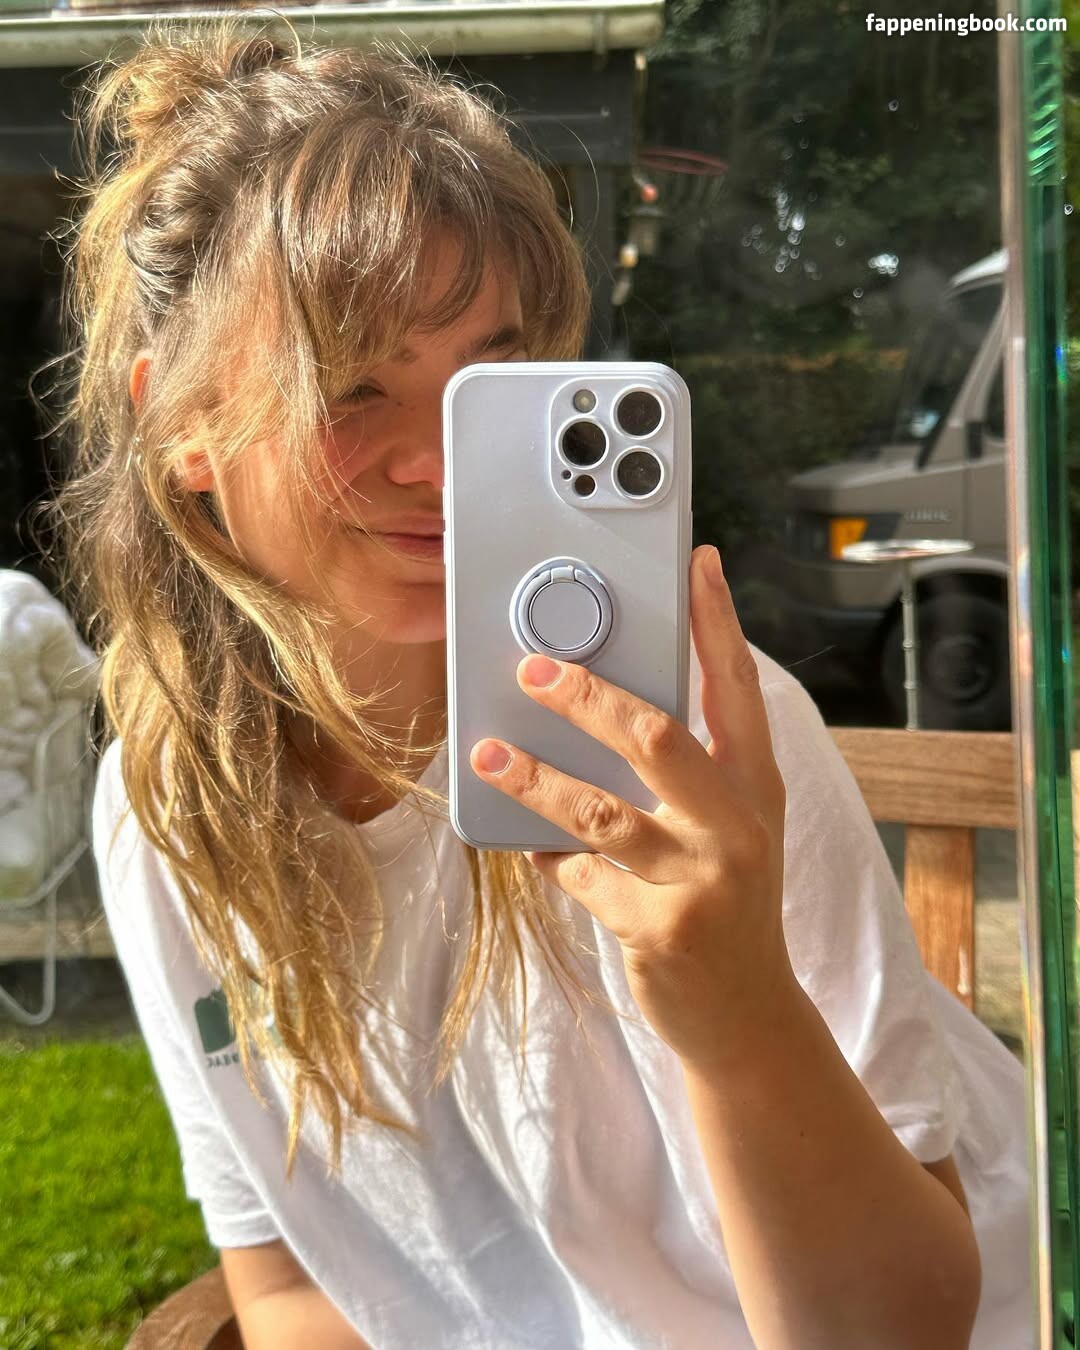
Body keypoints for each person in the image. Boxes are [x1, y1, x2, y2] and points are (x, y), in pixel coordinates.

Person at [46, 17, 1031, 1349]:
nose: (438, 466)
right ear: (182, 427)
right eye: (351, 386)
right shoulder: (175, 808)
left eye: (491, 387)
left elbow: (900, 1331)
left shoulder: (693, 751)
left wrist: (741, 1011)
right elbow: (286, 1285)